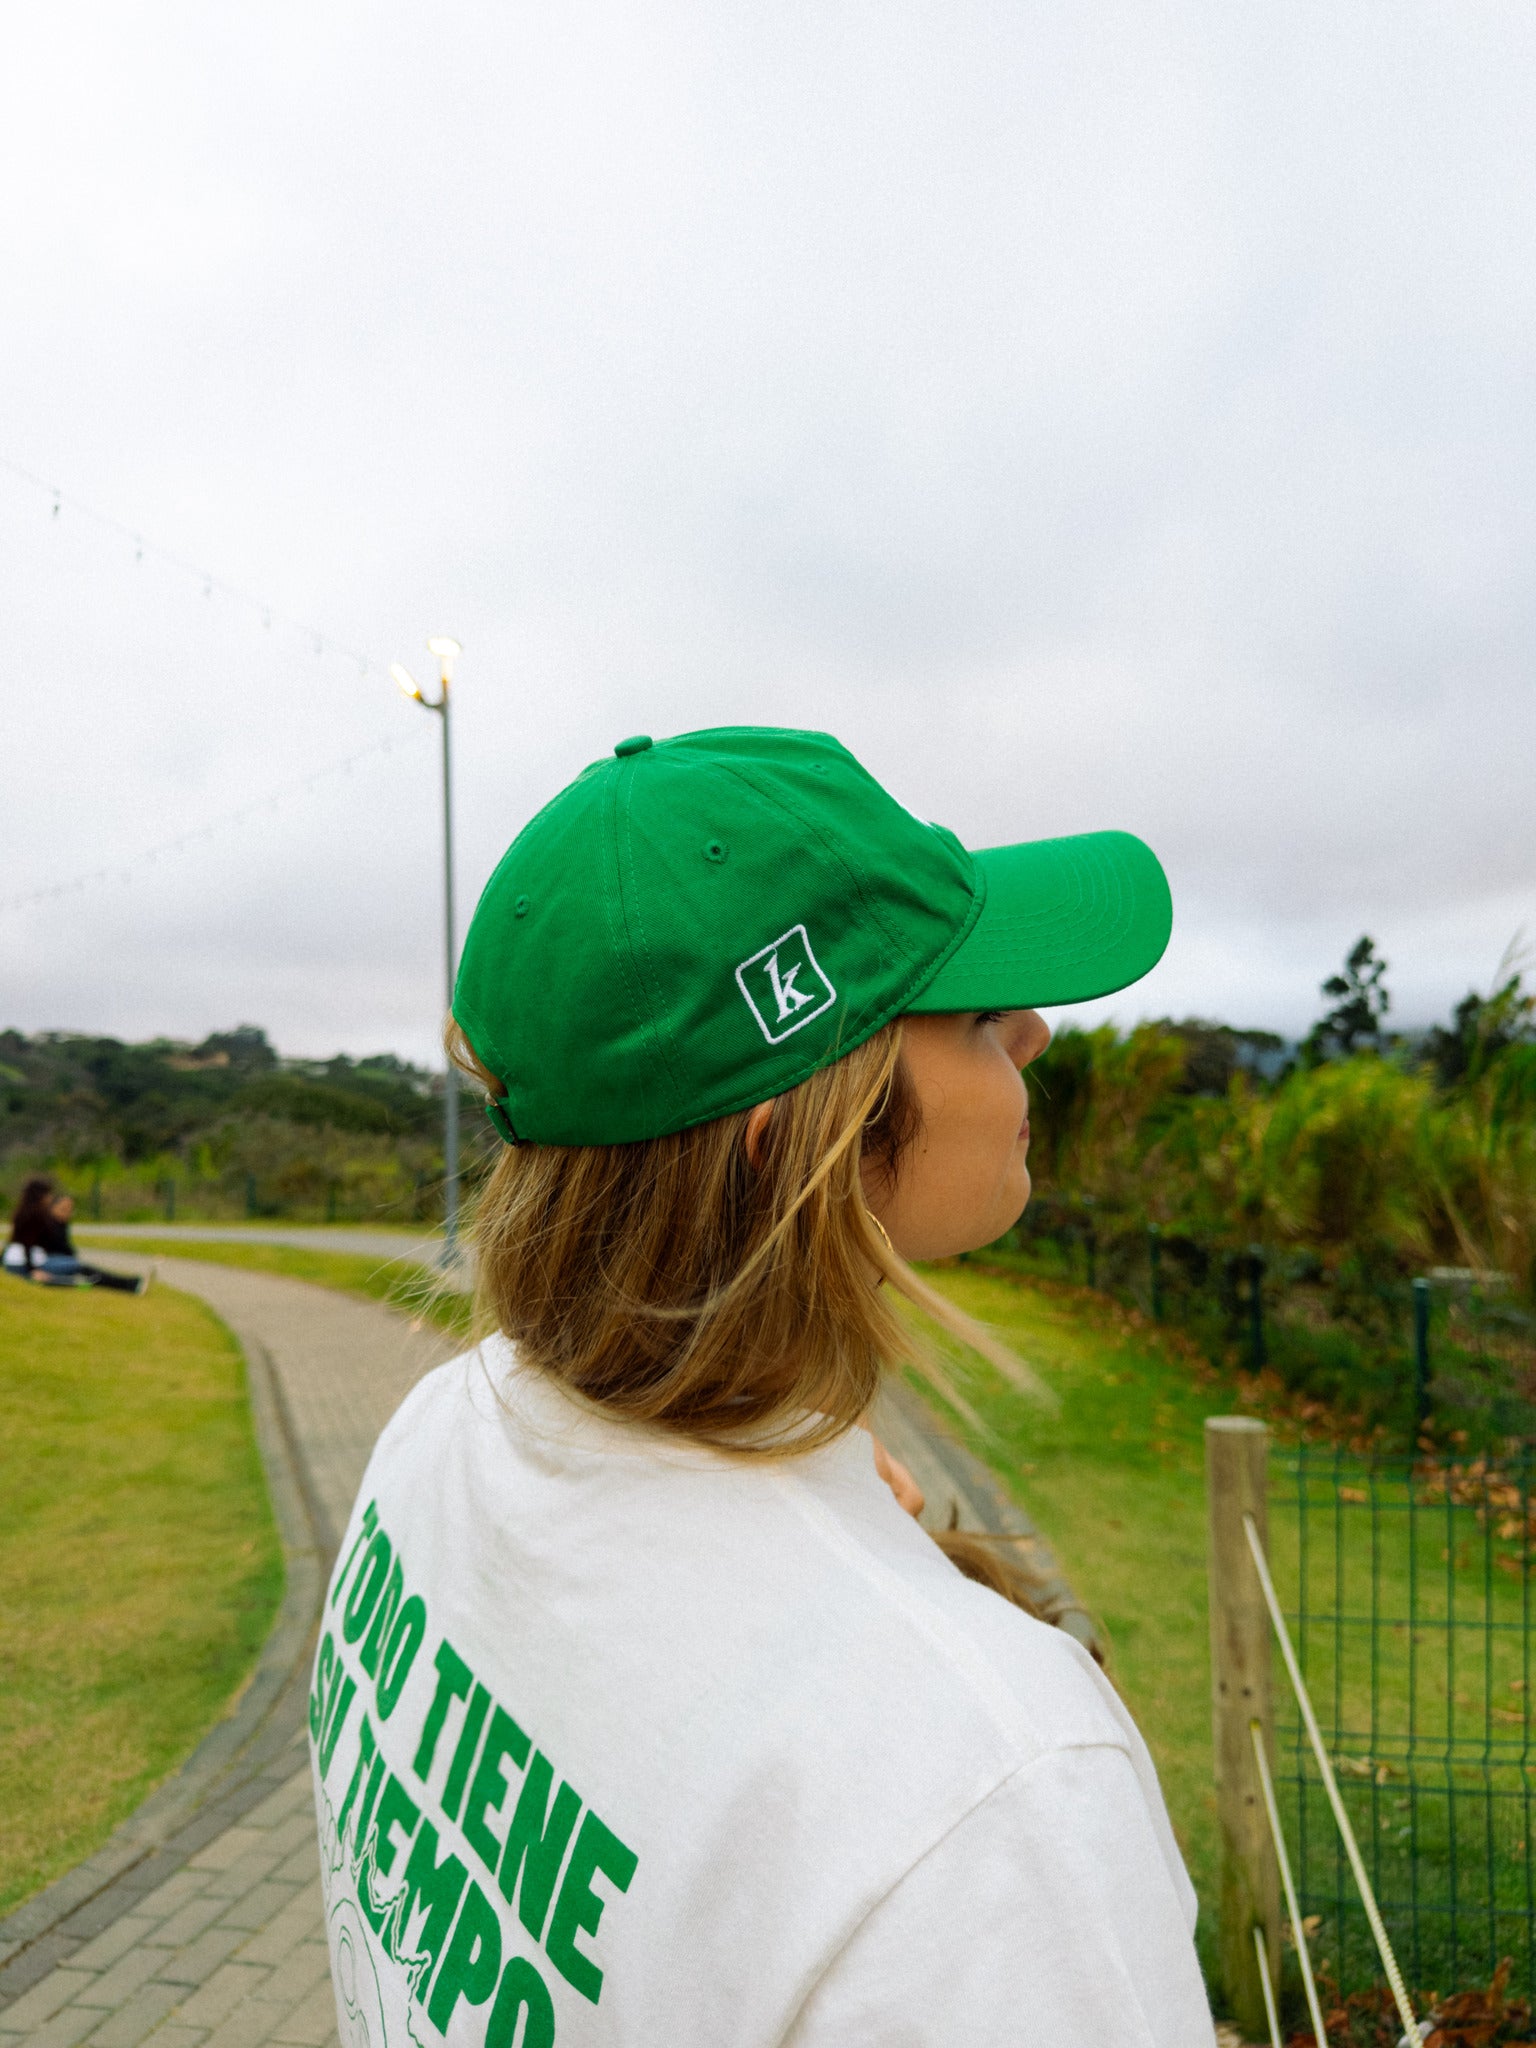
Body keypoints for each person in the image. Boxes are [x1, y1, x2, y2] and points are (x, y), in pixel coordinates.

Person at [309, 726, 1214, 2047]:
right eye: (966, 1010)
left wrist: (862, 1566)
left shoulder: (446, 1432)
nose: (1033, 1027)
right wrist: (909, 1640)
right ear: (791, 1136)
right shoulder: (994, 1804)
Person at [4, 1177, 148, 1292]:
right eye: (48, 1194)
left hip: (24, 1261)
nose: (50, 1198)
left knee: (77, 1267)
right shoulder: (32, 1216)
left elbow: (16, 1242)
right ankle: (129, 1285)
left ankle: (129, 1284)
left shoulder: (25, 1213)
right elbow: (26, 1246)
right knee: (80, 1268)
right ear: (39, 1195)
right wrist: (33, 1271)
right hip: (24, 1264)